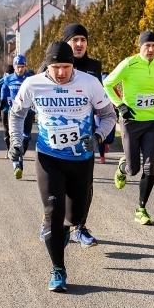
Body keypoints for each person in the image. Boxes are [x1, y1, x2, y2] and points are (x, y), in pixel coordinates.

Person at [9, 41, 116, 292]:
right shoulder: (33, 84)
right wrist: (16, 141)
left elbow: (110, 115)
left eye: (66, 67)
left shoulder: (89, 84)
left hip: (80, 160)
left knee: (74, 216)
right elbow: (16, 114)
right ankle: (58, 268)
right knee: (53, 212)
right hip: (49, 157)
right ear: (48, 65)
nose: (61, 73)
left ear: (73, 65)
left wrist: (98, 137)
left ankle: (66, 228)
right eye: (56, 67)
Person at [103, 30, 154, 226]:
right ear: (140, 46)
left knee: (149, 167)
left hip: (151, 123)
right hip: (131, 123)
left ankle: (141, 209)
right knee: (133, 169)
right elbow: (107, 84)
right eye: (147, 46)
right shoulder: (129, 64)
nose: (150, 49)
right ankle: (123, 167)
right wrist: (120, 105)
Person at [62, 23, 104, 247]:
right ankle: (52, 222)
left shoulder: (93, 67)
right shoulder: (53, 64)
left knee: (85, 185)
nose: (79, 44)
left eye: (83, 40)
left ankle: (80, 227)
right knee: (57, 186)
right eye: (74, 40)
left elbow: (100, 101)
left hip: (84, 138)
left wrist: (102, 130)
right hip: (56, 139)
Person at [1, 55, 35, 179]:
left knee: (25, 138)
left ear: (26, 67)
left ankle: (20, 155)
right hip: (14, 113)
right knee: (15, 138)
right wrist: (2, 99)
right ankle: (17, 164)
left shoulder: (30, 79)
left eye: (22, 67)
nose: (20, 70)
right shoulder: (8, 79)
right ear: (14, 67)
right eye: (18, 67)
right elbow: (4, 90)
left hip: (29, 113)